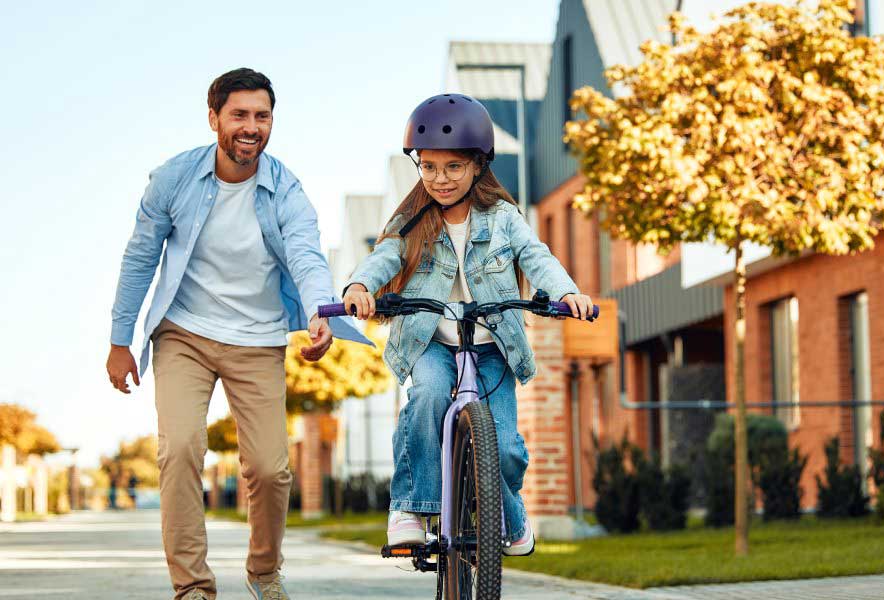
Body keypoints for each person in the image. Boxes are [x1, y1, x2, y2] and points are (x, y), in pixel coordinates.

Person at [105, 68, 369, 600]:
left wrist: (320, 312)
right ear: (214, 119)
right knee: (180, 449)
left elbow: (306, 255)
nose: (252, 127)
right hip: (184, 333)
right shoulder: (174, 179)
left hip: (257, 337)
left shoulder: (286, 189)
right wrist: (119, 340)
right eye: (240, 115)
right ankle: (192, 587)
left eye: (262, 116)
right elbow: (140, 258)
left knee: (270, 470)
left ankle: (264, 571)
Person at [343, 94, 593, 557]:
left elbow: (535, 255)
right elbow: (384, 257)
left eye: (453, 167)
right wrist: (359, 286)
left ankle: (509, 516)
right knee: (429, 397)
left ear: (478, 165)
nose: (440, 178)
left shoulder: (503, 218)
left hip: (491, 344)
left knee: (504, 446)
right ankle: (411, 509)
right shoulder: (411, 221)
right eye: (429, 166)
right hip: (432, 342)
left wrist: (566, 292)